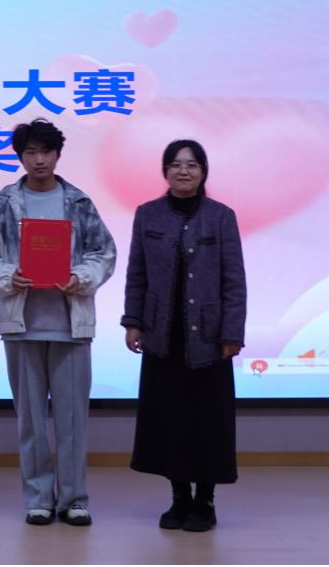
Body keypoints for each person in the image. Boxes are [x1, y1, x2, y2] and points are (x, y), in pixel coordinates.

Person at [0, 118, 116, 526]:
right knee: (31, 421)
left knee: (72, 421)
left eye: (46, 151)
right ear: (20, 157)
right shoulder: (5, 202)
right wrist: (7, 276)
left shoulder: (78, 202)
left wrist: (80, 277)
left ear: (57, 154)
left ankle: (74, 499)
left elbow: (104, 252)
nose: (39, 160)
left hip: (71, 325)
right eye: (30, 152)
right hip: (22, 325)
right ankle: (38, 497)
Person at [123, 139, 246, 533]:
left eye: (192, 165)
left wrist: (232, 332)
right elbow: (137, 273)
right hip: (162, 337)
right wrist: (133, 322)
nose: (183, 171)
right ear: (165, 171)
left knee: (207, 422)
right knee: (170, 422)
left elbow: (234, 280)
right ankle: (178, 498)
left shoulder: (221, 216)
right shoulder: (147, 214)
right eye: (175, 164)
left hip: (209, 339)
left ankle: (204, 501)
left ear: (203, 171)